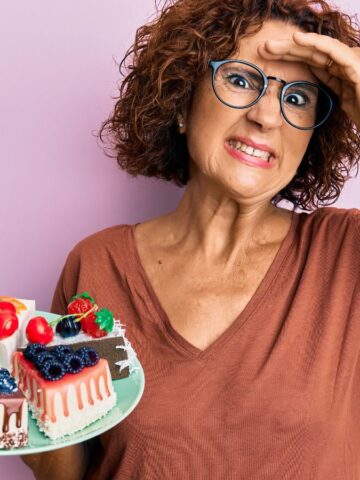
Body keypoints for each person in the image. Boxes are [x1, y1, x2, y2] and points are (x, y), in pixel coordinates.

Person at [23, 0, 360, 478]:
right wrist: (23, 409)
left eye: (297, 98)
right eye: (241, 80)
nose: (267, 116)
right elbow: (66, 468)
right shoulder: (99, 265)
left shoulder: (346, 253)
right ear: (183, 102)